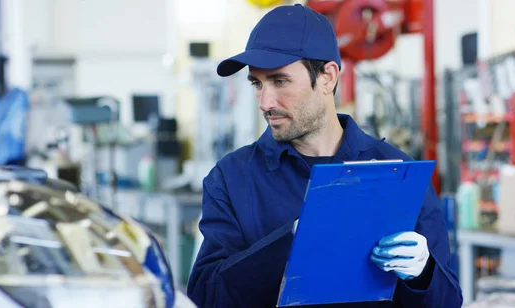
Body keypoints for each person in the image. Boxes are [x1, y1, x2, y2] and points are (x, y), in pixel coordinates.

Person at [187, 4, 462, 308]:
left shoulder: (398, 173)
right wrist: (290, 243)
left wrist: (423, 274)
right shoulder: (231, 178)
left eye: (280, 81)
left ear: (328, 77)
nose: (265, 101)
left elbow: (448, 302)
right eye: (257, 83)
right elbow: (206, 295)